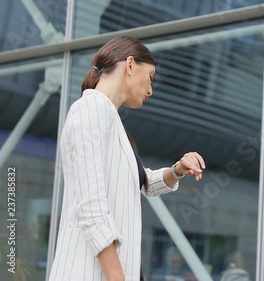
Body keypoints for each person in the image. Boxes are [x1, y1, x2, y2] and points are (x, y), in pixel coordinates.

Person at [48, 36, 206, 281]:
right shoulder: (92, 109)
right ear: (130, 65)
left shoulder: (110, 120)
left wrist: (178, 170)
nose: (151, 90)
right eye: (150, 78)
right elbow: (92, 208)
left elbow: (141, 182)